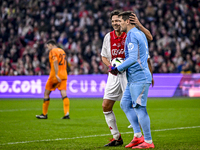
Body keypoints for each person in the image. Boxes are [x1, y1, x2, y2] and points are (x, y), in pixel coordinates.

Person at [101, 10, 153, 147]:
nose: (116, 23)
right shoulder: (111, 36)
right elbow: (104, 56)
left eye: (119, 21)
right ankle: (136, 136)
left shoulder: (133, 34)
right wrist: (111, 67)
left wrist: (118, 68)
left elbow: (134, 57)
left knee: (139, 108)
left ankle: (148, 140)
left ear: (125, 21)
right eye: (113, 21)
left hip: (135, 74)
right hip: (127, 75)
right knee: (124, 104)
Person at [36, 39, 70, 119]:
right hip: (64, 75)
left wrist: (56, 74)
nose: (47, 48)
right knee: (64, 94)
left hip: (54, 76)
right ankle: (67, 113)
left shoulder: (52, 51)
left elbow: (55, 62)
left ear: (51, 45)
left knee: (46, 93)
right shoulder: (62, 51)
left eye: (47, 46)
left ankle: (44, 114)